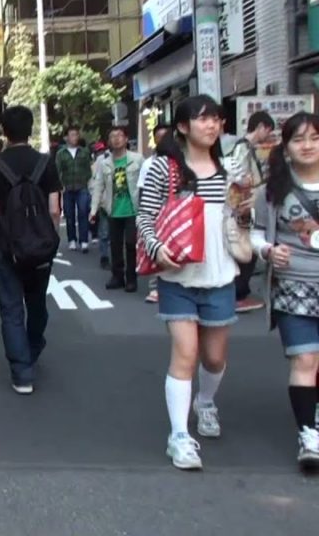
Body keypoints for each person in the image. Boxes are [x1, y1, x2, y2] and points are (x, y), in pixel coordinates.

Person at [137, 95, 239, 470]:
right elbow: (145, 216)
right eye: (202, 119)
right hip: (176, 277)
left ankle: (205, 402)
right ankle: (179, 436)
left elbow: (241, 219)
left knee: (214, 357)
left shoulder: (230, 168)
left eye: (216, 119)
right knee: (185, 353)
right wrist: (156, 246)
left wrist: (246, 216)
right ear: (183, 126)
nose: (212, 125)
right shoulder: (164, 169)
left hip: (220, 275)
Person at [0, 106, 62, 394]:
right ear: (30, 128)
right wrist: (49, 239)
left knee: (11, 308)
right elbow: (54, 210)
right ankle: (33, 346)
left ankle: (22, 372)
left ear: (4, 131)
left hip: (6, 247)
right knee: (37, 304)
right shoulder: (45, 163)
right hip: (41, 249)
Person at [252, 112, 319, 468]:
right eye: (299, 139)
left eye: (315, 138)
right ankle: (309, 436)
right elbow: (254, 232)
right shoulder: (273, 189)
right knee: (305, 359)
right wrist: (268, 250)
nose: (307, 146)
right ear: (287, 146)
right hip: (293, 285)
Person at [228, 111, 276, 313]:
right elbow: (237, 177)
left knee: (247, 247)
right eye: (268, 130)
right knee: (245, 248)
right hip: (246, 205)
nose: (268, 135)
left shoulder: (245, 147)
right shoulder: (243, 147)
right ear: (261, 127)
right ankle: (238, 292)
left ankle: (240, 290)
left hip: (247, 203)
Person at [91, 126, 143, 293]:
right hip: (113, 210)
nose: (116, 139)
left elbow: (145, 183)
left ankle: (131, 278)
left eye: (120, 135)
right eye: (113, 136)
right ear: (109, 141)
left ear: (126, 139)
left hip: (133, 209)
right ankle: (117, 276)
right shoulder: (104, 163)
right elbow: (98, 186)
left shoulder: (137, 159)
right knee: (115, 245)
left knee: (130, 244)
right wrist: (93, 209)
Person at [140, 124, 170, 304]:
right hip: (157, 215)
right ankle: (154, 287)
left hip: (176, 217)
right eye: (160, 137)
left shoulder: (182, 161)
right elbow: (143, 190)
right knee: (156, 248)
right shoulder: (151, 164)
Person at [56, 126, 94, 253]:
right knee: (69, 215)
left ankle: (84, 241)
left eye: (76, 134)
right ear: (66, 137)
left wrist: (86, 181)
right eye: (72, 135)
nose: (74, 137)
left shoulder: (84, 152)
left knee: (83, 212)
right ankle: (72, 239)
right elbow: (58, 171)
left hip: (82, 187)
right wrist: (61, 186)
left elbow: (88, 169)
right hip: (67, 188)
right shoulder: (61, 154)